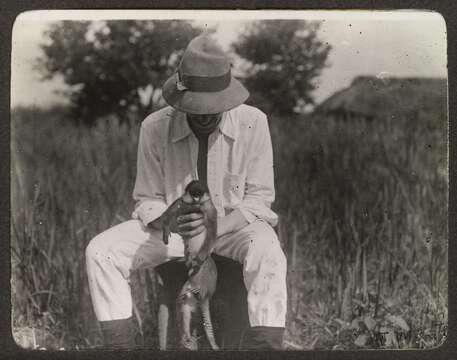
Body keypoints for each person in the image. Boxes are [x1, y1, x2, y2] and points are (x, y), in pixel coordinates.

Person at [85, 34, 287, 350]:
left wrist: (216, 229)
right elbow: (147, 198)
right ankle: (120, 347)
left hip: (231, 230)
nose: (205, 116)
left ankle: (265, 346)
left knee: (268, 251)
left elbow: (259, 199)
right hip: (175, 233)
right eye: (196, 108)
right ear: (181, 100)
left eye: (214, 107)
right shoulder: (154, 127)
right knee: (101, 251)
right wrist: (171, 221)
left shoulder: (253, 122)